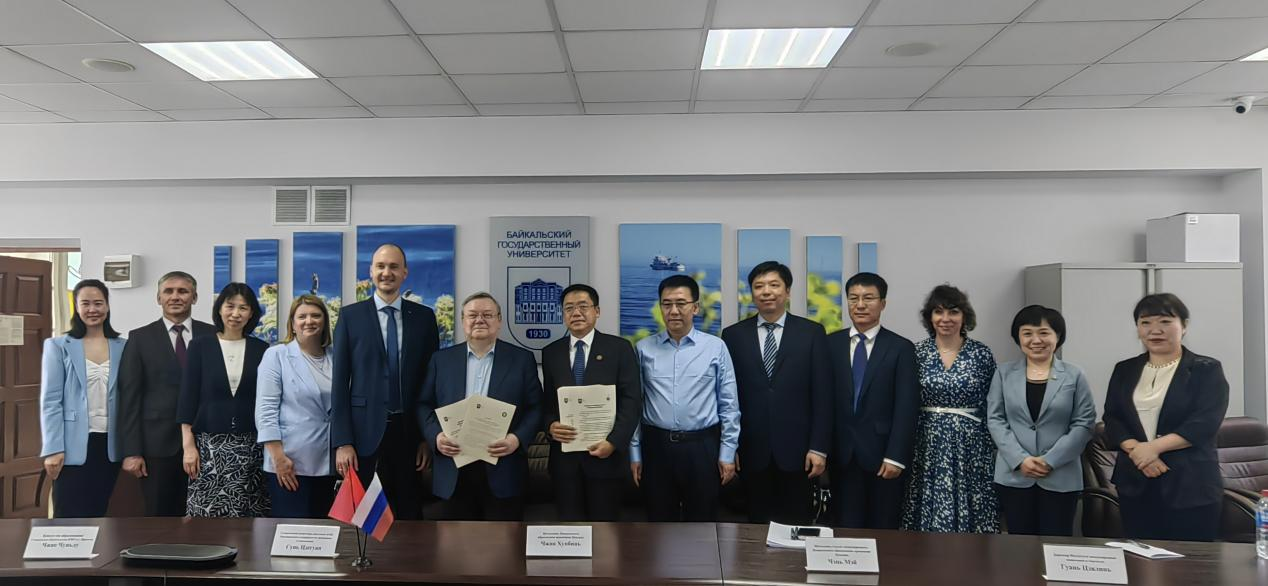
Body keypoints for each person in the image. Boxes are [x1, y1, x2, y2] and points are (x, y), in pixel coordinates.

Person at [1103, 293, 1229, 541]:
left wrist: (1153, 448)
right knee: (1140, 557)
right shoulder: (1124, 369)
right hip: (1136, 481)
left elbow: (1204, 422)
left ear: (1184, 325)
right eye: (1145, 322)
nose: (1155, 330)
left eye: (1165, 321)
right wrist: (1139, 453)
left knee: (1191, 559)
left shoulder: (1206, 369)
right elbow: (1113, 418)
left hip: (1191, 484)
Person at [331, 244, 438, 520]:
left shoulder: (424, 318)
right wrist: (342, 441)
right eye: (380, 266)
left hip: (409, 433)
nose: (386, 272)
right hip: (363, 434)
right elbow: (339, 383)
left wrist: (427, 438)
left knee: (409, 515)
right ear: (371, 272)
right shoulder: (350, 317)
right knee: (366, 519)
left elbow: (431, 383)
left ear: (405, 272)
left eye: (393, 267)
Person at [721, 261, 830, 524]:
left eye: (774, 285)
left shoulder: (812, 333)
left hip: (799, 452)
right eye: (759, 286)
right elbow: (727, 397)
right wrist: (730, 446)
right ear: (752, 293)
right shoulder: (733, 336)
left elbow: (823, 396)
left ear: (788, 291)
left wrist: (819, 448)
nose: (766, 291)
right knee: (754, 529)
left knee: (796, 527)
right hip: (750, 451)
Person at [419, 292, 542, 521]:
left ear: (499, 321)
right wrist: (436, 436)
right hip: (453, 469)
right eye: (472, 315)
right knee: (453, 542)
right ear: (463, 321)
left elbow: (536, 408)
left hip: (504, 467)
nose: (479, 320)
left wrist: (516, 439)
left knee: (503, 542)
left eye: (487, 314)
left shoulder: (522, 359)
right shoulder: (441, 360)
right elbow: (423, 405)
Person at [631, 275, 740, 522]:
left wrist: (727, 452)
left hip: (702, 446)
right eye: (666, 304)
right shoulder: (643, 348)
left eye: (681, 303)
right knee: (658, 524)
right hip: (656, 446)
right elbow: (635, 404)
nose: (673, 311)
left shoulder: (715, 347)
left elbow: (729, 405)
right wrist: (634, 453)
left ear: (695, 307)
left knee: (702, 524)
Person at [986, 305, 1096, 536]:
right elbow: (995, 419)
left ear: (1058, 336)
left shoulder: (1074, 375)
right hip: (1015, 474)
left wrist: (1050, 460)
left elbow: (1084, 423)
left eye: (1044, 333)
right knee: (1019, 546)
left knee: (1057, 543)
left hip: (1061, 474)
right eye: (1027, 333)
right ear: (1018, 337)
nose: (1036, 340)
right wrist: (1020, 459)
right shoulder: (1003, 373)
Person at [902, 284, 999, 533]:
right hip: (925, 442)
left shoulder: (981, 354)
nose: (945, 319)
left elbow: (993, 404)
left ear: (964, 316)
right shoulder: (916, 353)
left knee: (973, 503)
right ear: (930, 317)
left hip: (971, 445)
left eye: (953, 312)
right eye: (938, 311)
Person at [117, 271, 216, 516]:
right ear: (158, 298)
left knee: (206, 519)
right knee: (160, 518)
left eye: (183, 291)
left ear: (194, 297)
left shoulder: (213, 335)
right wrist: (132, 451)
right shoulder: (139, 338)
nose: (175, 296)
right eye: (168, 291)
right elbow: (129, 398)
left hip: (208, 442)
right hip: (157, 447)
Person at [542, 284, 642, 521]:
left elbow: (632, 401)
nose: (576, 313)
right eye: (569, 308)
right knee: (569, 530)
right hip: (565, 462)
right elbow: (547, 403)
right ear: (562, 314)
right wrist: (550, 426)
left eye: (583, 306)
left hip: (606, 459)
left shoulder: (619, 348)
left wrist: (614, 442)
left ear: (597, 311)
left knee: (605, 531)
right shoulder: (551, 352)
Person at [827, 272, 918, 529]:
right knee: (845, 527)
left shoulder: (901, 348)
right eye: (853, 298)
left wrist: (896, 456)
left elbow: (906, 407)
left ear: (883, 303)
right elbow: (822, 401)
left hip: (883, 455)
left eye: (868, 298)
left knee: (883, 528)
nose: (860, 305)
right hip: (841, 454)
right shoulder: (830, 344)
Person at [177, 282, 269, 517]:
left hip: (251, 446)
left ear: (251, 313)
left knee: (248, 514)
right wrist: (188, 447)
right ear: (219, 309)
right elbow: (187, 399)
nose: (236, 313)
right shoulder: (200, 346)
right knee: (207, 515)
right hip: (209, 447)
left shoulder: (262, 349)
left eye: (243, 308)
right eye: (230, 306)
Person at [39, 279, 127, 518]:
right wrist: (53, 448)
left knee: (100, 512)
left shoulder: (123, 346)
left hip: (111, 444)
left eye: (98, 303)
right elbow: (51, 401)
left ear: (107, 306)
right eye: (85, 303)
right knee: (68, 514)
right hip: (71, 445)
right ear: (76, 307)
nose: (92, 309)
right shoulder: (58, 346)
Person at [256, 295, 336, 519]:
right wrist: (278, 458)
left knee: (325, 531)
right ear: (292, 323)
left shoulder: (336, 356)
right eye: (302, 316)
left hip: (329, 463)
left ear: (324, 321)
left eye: (316, 315)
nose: (309, 321)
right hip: (290, 463)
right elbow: (266, 410)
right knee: (292, 529)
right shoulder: (276, 355)